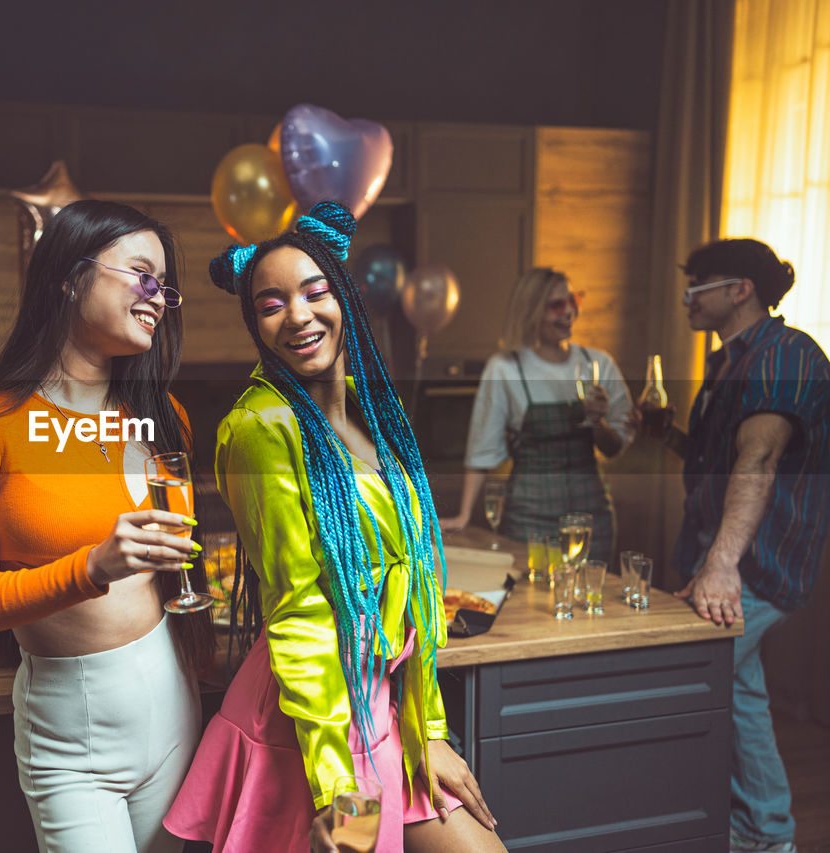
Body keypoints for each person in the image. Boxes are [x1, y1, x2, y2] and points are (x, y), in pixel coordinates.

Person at [163, 202, 505, 853]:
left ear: (345, 295)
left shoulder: (380, 412)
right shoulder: (261, 427)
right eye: (270, 303)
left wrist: (427, 727)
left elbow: (419, 583)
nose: (298, 314)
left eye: (315, 291)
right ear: (255, 325)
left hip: (385, 707)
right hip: (313, 719)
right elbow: (298, 608)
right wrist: (337, 783)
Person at [0, 200, 215, 853]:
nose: (158, 299)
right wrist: (92, 566)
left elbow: (175, 569)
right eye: (142, 275)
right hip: (70, 729)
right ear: (69, 275)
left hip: (174, 701)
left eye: (164, 288)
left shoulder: (161, 416)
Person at [643, 238, 828, 853]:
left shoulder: (786, 353)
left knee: (702, 673)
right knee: (734, 683)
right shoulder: (729, 363)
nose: (687, 298)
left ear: (739, 290)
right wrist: (666, 433)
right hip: (719, 557)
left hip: (760, 561)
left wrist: (721, 564)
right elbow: (721, 460)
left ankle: (765, 835)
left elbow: (761, 456)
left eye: (698, 286)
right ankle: (757, 833)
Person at [438, 267, 633, 564]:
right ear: (531, 311)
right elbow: (482, 449)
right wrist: (465, 514)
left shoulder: (599, 364)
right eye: (556, 305)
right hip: (527, 520)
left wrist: (598, 422)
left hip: (590, 517)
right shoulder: (505, 368)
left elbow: (614, 446)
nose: (568, 311)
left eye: (573, 300)